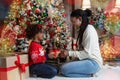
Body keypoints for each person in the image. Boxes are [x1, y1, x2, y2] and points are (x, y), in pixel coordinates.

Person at [60, 9, 103, 77]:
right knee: (63, 67)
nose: (73, 25)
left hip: (93, 63)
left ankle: (89, 75)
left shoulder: (89, 30)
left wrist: (69, 53)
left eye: (73, 22)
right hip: (86, 60)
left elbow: (87, 53)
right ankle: (87, 73)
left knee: (64, 69)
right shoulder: (83, 29)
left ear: (80, 19)